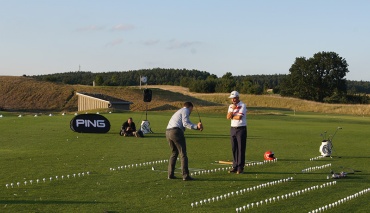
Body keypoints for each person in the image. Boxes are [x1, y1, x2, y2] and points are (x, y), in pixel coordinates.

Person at [166, 102, 203, 181]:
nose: (190, 112)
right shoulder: (185, 110)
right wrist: (197, 127)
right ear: (190, 107)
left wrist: (197, 126)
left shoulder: (179, 111)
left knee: (174, 153)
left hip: (168, 132)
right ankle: (185, 176)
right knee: (183, 154)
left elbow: (184, 124)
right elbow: (185, 123)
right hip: (176, 132)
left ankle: (170, 174)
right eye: (191, 110)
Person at [226, 91, 247, 174]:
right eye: (232, 98)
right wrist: (233, 110)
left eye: (234, 98)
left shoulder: (243, 105)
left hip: (241, 128)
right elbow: (228, 117)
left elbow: (239, 117)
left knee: (241, 148)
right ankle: (234, 166)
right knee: (234, 148)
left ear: (238, 97)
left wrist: (232, 115)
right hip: (233, 128)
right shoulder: (231, 106)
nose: (233, 100)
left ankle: (240, 167)